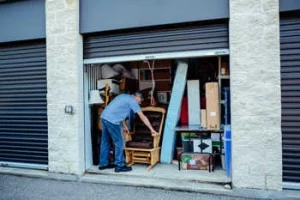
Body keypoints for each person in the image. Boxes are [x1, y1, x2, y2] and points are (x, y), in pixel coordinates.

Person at [99, 91, 159, 172]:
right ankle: (119, 165)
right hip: (112, 121)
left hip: (104, 117)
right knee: (120, 142)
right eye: (140, 101)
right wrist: (152, 129)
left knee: (105, 141)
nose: (139, 103)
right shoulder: (133, 101)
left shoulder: (123, 96)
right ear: (137, 97)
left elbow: (119, 112)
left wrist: (125, 126)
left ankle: (103, 164)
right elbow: (142, 116)